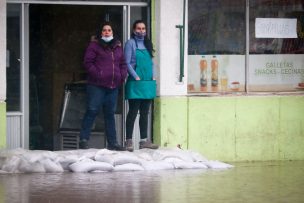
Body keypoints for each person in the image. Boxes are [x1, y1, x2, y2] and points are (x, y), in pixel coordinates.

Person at [79, 22, 128, 150]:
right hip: (97, 85)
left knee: (110, 114)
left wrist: (122, 76)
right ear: (101, 33)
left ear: (112, 32)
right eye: (104, 30)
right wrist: (98, 74)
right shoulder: (94, 46)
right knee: (92, 111)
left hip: (113, 86)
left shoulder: (117, 47)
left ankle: (113, 143)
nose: (107, 32)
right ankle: (84, 139)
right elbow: (88, 63)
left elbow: (123, 63)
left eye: (109, 30)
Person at [124, 20, 159, 152]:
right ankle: (128, 141)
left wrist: (153, 76)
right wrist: (136, 76)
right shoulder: (130, 43)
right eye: (138, 28)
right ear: (134, 30)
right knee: (133, 112)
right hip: (136, 83)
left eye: (143, 28)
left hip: (148, 83)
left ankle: (144, 141)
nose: (141, 31)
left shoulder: (147, 44)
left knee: (145, 113)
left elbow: (151, 63)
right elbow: (127, 63)